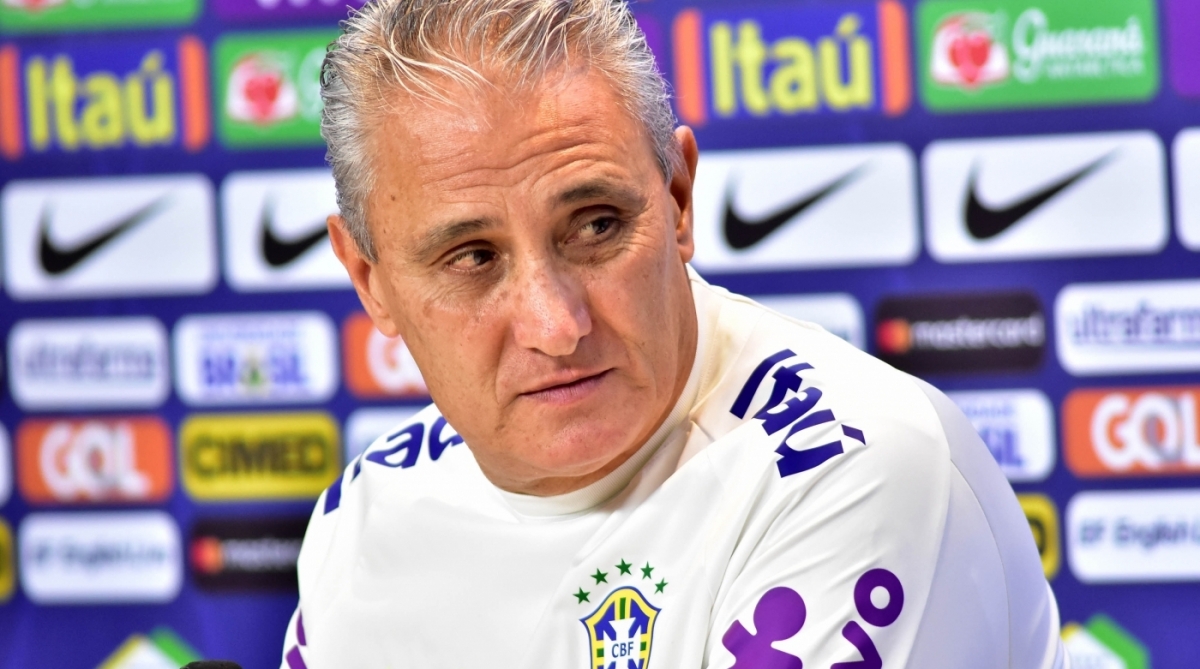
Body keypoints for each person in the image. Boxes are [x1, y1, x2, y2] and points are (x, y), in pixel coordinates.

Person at [281, 0, 1067, 667]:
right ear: (370, 281)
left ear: (680, 199)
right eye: (473, 257)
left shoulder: (863, 471)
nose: (557, 326)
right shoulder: (362, 513)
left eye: (595, 225)